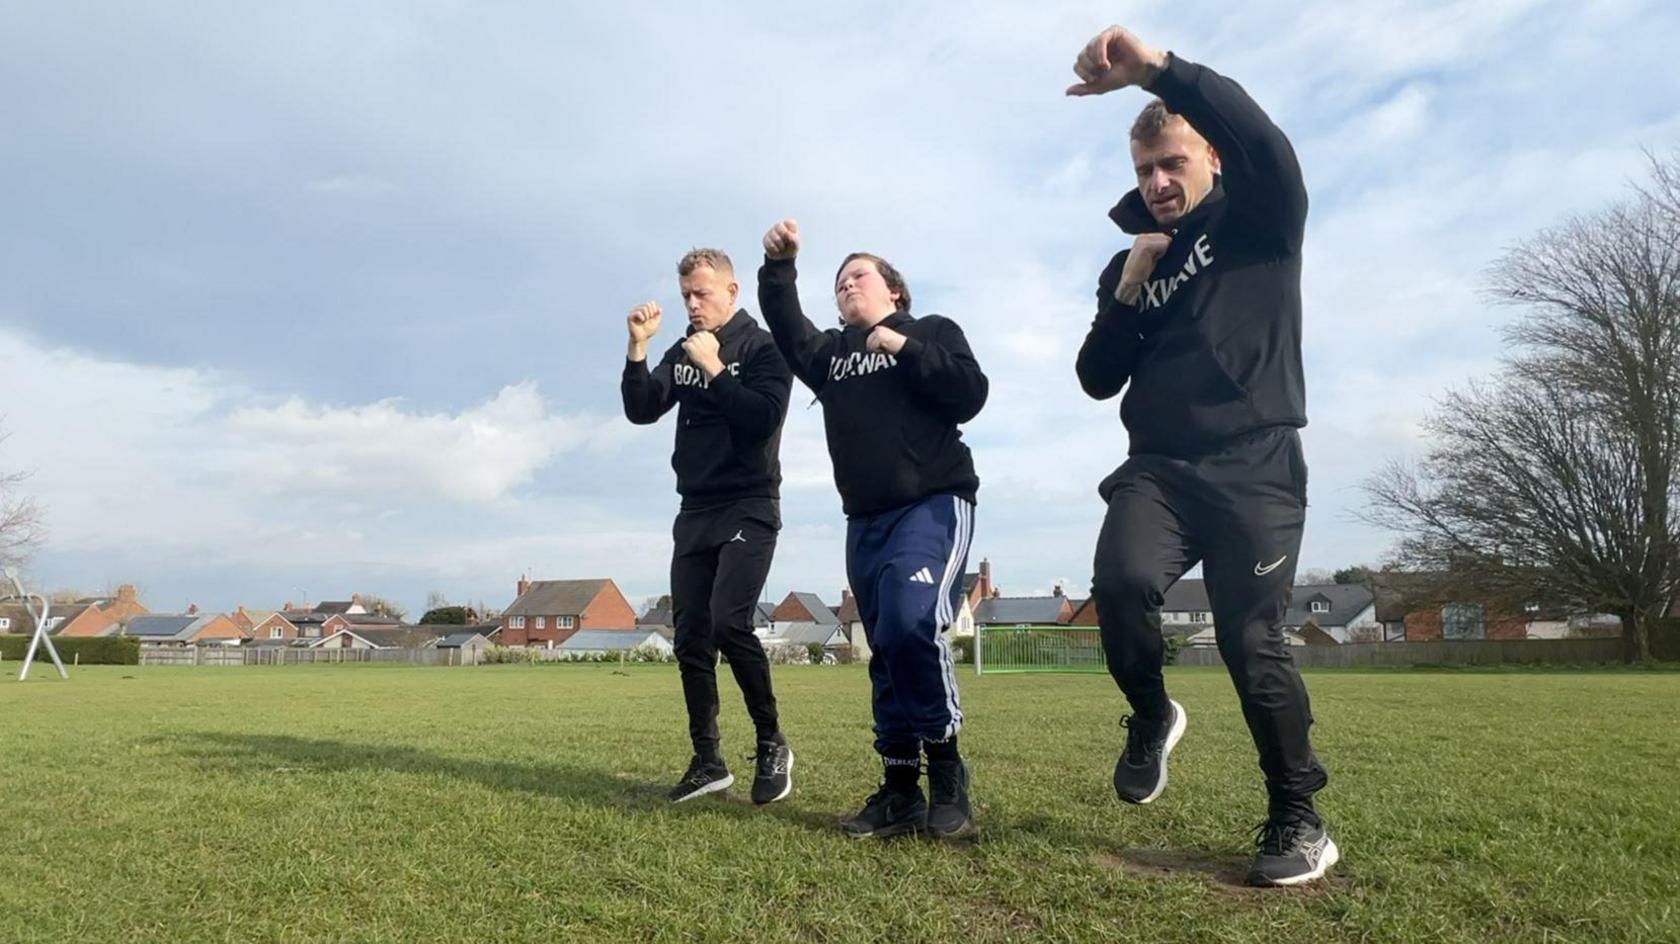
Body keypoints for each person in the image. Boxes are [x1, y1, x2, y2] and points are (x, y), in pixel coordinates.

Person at [1068, 25, 1337, 885]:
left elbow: (1267, 144)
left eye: (1171, 163)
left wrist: (1161, 73)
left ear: (1207, 158)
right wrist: (1125, 292)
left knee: (1252, 644)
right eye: (1144, 171)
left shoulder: (1260, 222)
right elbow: (1095, 378)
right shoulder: (1135, 259)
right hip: (1159, 469)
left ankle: (1298, 815)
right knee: (1118, 586)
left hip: (1255, 463)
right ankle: (1151, 716)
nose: (1157, 183)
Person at [758, 219, 987, 839]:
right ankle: (899, 789)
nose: (845, 288)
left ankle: (947, 772)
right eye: (837, 285)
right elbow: (788, 327)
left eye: (856, 276)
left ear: (894, 291)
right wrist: (780, 269)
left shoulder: (930, 332)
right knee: (883, 643)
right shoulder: (832, 356)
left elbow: (970, 393)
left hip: (933, 504)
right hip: (865, 520)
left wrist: (903, 346)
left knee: (914, 623)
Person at [621, 248, 794, 805]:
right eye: (686, 297)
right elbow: (643, 408)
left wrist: (715, 367)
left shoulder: (764, 347)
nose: (693, 305)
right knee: (692, 638)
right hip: (695, 509)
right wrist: (639, 348)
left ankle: (771, 742)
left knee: (728, 622)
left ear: (732, 292)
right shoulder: (683, 349)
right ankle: (708, 760)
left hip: (749, 503)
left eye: (702, 294)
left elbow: (761, 419)